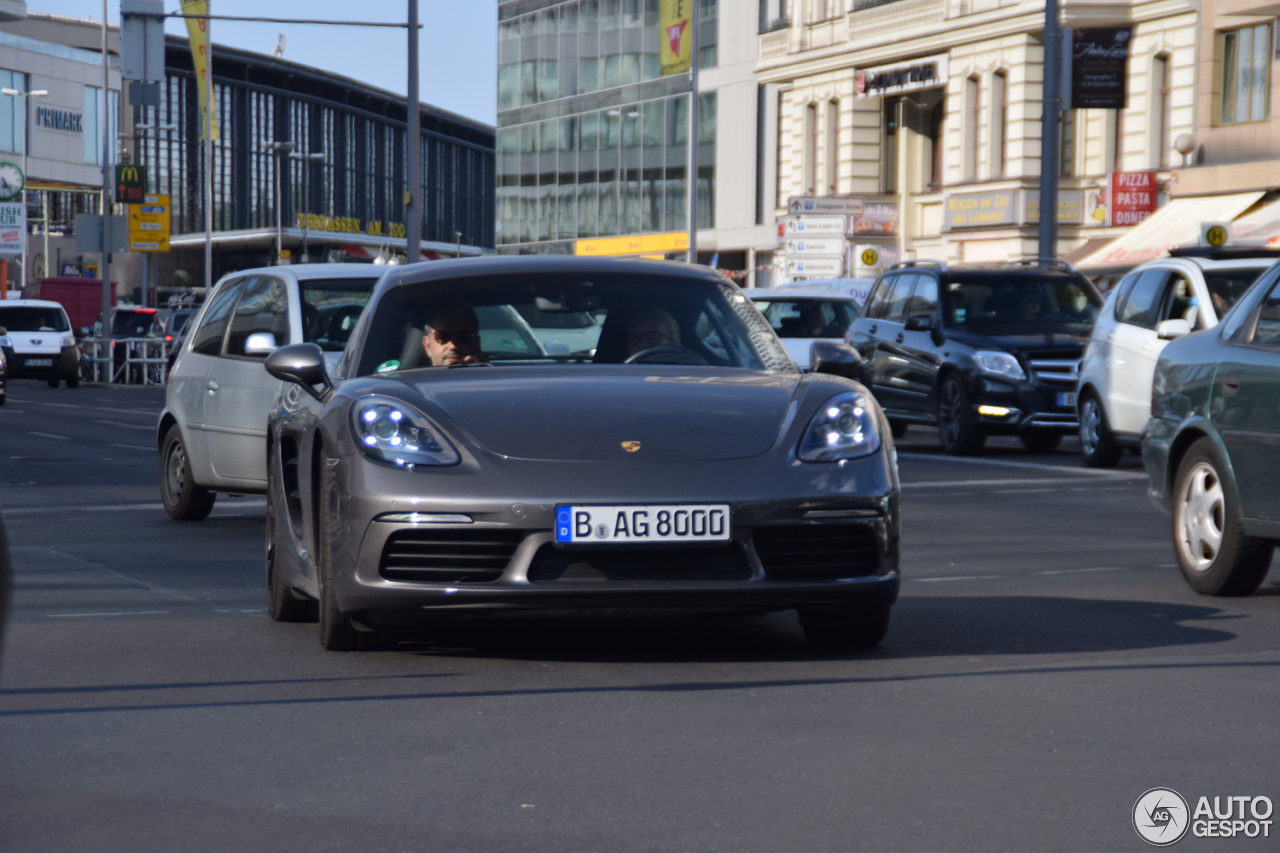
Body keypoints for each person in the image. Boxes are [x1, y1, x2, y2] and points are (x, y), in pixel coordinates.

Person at [422, 304, 488, 366]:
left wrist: (481, 372)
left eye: (463, 336)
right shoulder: (414, 377)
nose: (453, 346)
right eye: (442, 336)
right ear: (428, 346)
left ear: (476, 344)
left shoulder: (494, 377)